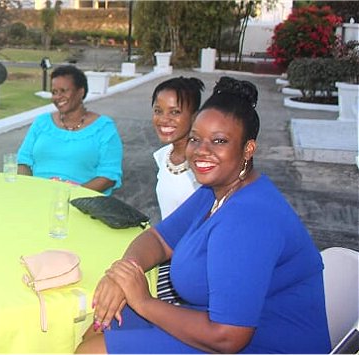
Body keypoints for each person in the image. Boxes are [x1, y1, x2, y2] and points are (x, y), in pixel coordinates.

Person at [76, 77, 330, 353]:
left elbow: (228, 337)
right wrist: (125, 273)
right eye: (196, 139)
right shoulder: (217, 190)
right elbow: (159, 239)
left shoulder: (249, 220)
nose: (202, 151)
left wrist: (144, 301)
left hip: (262, 343)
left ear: (248, 149)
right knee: (101, 325)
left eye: (219, 141)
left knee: (93, 350)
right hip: (209, 320)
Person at [17, 65, 122, 194]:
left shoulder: (104, 128)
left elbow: (108, 176)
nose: (58, 97)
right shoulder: (42, 122)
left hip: (82, 203)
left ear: (80, 92)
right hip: (38, 198)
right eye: (54, 92)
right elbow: (23, 161)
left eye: (63, 90)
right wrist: (29, 190)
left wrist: (70, 196)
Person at [150, 77, 204, 305]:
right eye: (158, 110)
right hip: (167, 255)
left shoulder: (204, 166)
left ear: (195, 116)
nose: (164, 119)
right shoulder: (163, 157)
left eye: (175, 112)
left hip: (193, 266)